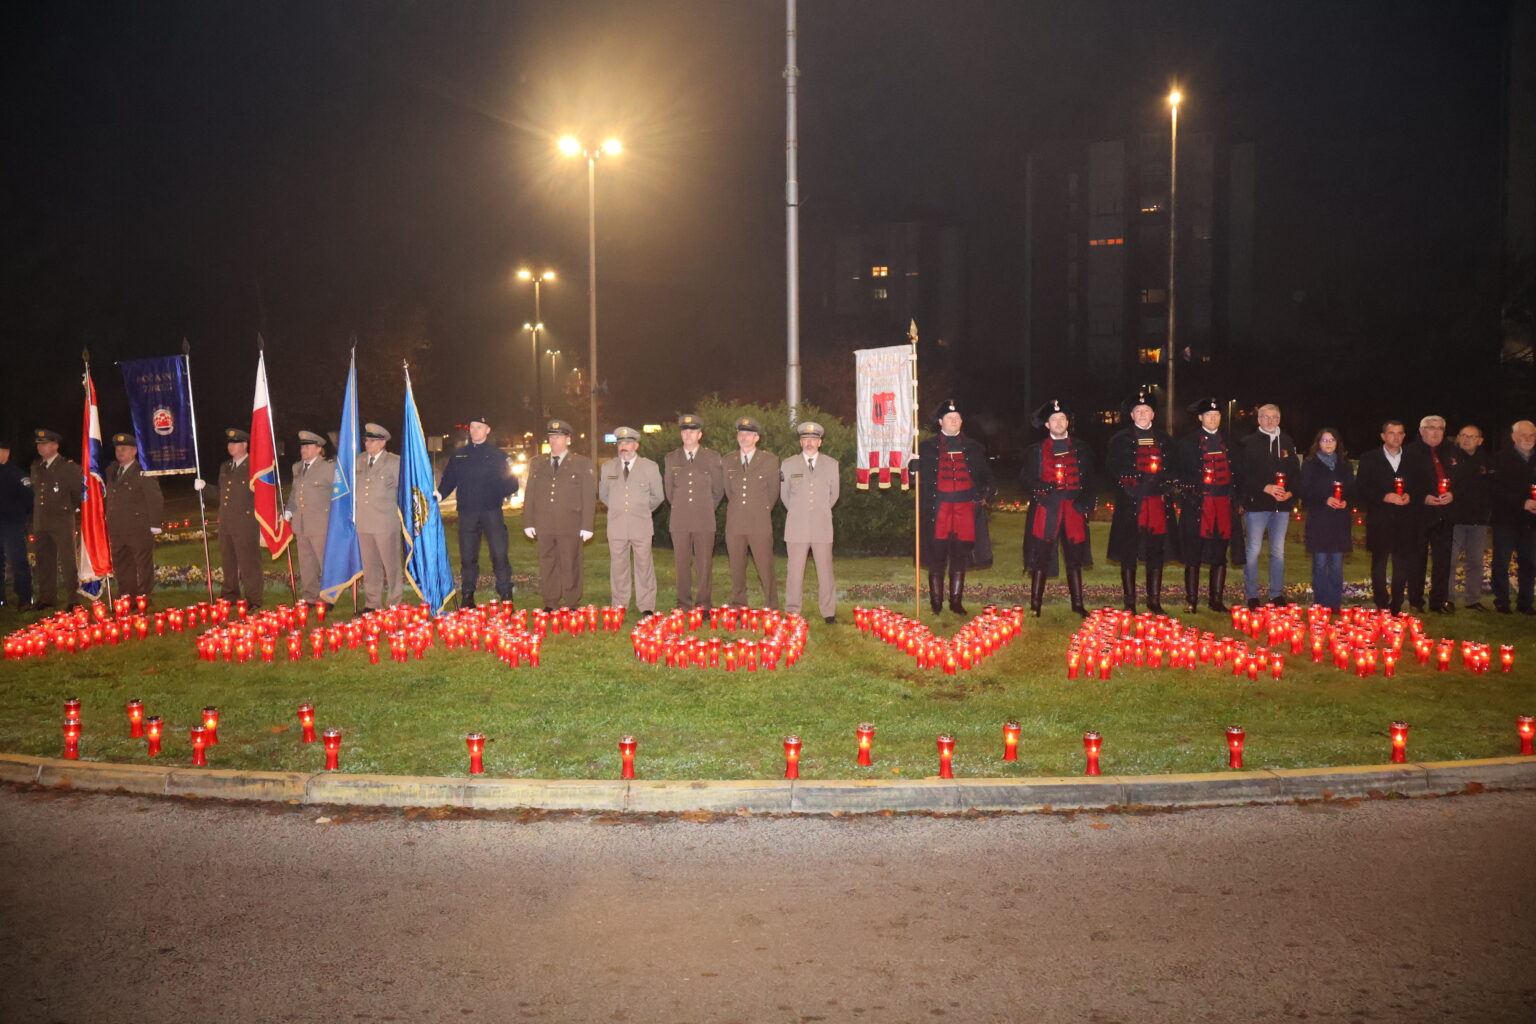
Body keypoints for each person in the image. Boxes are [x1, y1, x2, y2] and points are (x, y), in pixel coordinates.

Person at [914, 399, 994, 616]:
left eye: (957, 417)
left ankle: (956, 602)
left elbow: (987, 477)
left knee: (960, 555)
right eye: (949, 418)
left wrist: (985, 496)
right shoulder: (925, 448)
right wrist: (913, 469)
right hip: (938, 510)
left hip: (964, 509)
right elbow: (915, 481)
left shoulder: (973, 447)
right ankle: (936, 603)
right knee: (937, 556)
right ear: (940, 422)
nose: (954, 421)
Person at [1020, 399, 1094, 617]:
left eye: (1062, 418)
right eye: (1054, 419)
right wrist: (1040, 487)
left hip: (1073, 507)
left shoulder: (1081, 448)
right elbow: (1025, 479)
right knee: (1040, 556)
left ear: (1068, 422)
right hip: (1047, 507)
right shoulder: (1036, 450)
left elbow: (1090, 479)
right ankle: (1035, 606)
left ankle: (1078, 605)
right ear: (1047, 425)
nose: (1059, 422)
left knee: (1074, 558)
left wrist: (1086, 501)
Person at [1106, 388, 1178, 613]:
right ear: (1132, 415)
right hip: (1131, 504)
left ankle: (1154, 601)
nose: (1143, 414)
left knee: (1156, 551)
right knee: (1129, 552)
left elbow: (1174, 469)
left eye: (1146, 410)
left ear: (1153, 414)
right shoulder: (1119, 440)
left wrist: (1165, 484)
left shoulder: (1165, 440)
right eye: (1138, 411)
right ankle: (1130, 603)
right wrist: (1131, 484)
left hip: (1157, 503)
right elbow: (1113, 469)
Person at [436, 415, 518, 608]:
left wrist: (494, 493)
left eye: (479, 427)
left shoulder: (498, 456)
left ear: (487, 430)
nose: (475, 431)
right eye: (472, 427)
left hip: (491, 512)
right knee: (467, 557)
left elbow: (512, 483)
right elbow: (449, 480)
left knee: (499, 554)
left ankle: (505, 594)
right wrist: (439, 495)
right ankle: (467, 596)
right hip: (467, 512)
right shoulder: (459, 455)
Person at [1174, 397, 1240, 614]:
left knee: (1220, 554)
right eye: (1209, 415)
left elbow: (1238, 475)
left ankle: (1216, 600)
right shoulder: (1187, 443)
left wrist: (1237, 499)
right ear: (1200, 417)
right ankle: (1191, 601)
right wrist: (1192, 487)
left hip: (1223, 504)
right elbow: (1180, 474)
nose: (1213, 419)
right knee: (1193, 554)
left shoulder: (1230, 442)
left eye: (1217, 415)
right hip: (1199, 505)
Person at [522, 418, 596, 610]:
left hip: (570, 522)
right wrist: (528, 521)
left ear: (568, 440)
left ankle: (572, 600)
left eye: (559, 437)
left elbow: (589, 496)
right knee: (547, 561)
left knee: (570, 561)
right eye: (551, 437)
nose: (554, 441)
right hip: (544, 522)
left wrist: (587, 525)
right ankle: (550, 600)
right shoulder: (538, 463)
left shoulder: (581, 463)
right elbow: (530, 493)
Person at [1236, 403, 1300, 609]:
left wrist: (1291, 492)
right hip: (1257, 506)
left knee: (1278, 552)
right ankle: (1252, 595)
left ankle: (1276, 594)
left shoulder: (1287, 441)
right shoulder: (1248, 443)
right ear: (1258, 420)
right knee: (1253, 551)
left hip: (1281, 507)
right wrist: (1265, 487)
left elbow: (1295, 473)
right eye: (1266, 417)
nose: (1270, 421)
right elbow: (1242, 475)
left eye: (1274, 417)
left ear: (1279, 419)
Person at [599, 425, 664, 617]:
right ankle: (620, 603)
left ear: (636, 445)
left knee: (644, 565)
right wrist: (619, 509)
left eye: (627, 443)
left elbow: (658, 496)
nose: (623, 447)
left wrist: (641, 510)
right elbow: (604, 495)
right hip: (617, 525)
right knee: (618, 566)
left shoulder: (649, 467)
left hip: (641, 524)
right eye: (620, 443)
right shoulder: (608, 467)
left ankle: (646, 605)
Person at [663, 413, 725, 611]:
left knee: (704, 564)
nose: (688, 434)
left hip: (704, 518)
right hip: (680, 519)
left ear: (700, 434)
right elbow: (669, 491)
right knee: (681, 563)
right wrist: (683, 507)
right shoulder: (671, 458)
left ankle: (704, 604)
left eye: (692, 431)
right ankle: (683, 604)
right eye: (685, 431)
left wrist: (705, 507)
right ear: (681, 434)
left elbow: (718, 490)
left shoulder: (712, 457)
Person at [781, 421, 840, 623]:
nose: (809, 442)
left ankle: (828, 611)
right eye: (805, 439)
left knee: (825, 571)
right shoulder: (788, 464)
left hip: (822, 526)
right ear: (800, 442)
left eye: (813, 439)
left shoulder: (831, 464)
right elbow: (785, 496)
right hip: (796, 526)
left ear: (820, 442)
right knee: (794, 572)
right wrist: (800, 511)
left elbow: (834, 495)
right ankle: (792, 610)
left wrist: (819, 512)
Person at [1355, 420, 1416, 613]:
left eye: (1400, 433)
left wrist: (1411, 495)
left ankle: (1397, 604)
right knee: (1379, 564)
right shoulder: (1369, 458)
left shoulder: (1413, 458)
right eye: (1391, 433)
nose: (1396, 437)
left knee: (1401, 565)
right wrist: (1384, 496)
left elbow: (1420, 485)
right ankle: (1381, 603)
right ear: (1383, 436)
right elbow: (1361, 489)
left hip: (1405, 521)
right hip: (1380, 520)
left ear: (1404, 436)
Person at [722, 416, 780, 609]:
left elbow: (773, 492)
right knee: (736, 567)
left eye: (748, 434)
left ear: (756, 438)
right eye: (741, 433)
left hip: (759, 522)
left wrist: (760, 511)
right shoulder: (728, 460)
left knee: (765, 566)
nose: (744, 437)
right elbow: (729, 491)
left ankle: (771, 605)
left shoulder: (769, 460)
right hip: (735, 522)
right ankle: (739, 604)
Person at [1403, 415, 1458, 614]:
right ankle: (1416, 601)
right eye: (1431, 428)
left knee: (1443, 561)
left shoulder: (1451, 451)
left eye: (1440, 428)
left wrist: (1453, 493)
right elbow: (1403, 483)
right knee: (1417, 560)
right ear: (1421, 431)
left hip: (1444, 514)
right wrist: (1422, 497)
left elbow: (1461, 479)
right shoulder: (1408, 452)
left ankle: (1438, 601)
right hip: (1419, 514)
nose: (1436, 432)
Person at [1296, 427, 1354, 612]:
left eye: (1332, 440)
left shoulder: (1345, 465)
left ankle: (1334, 603)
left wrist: (1346, 501)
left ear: (1338, 443)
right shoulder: (1310, 464)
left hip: (1339, 521)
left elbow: (1352, 489)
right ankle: (1320, 603)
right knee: (1320, 563)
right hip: (1319, 519)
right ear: (1318, 443)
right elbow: (1304, 491)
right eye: (1324, 440)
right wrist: (1324, 499)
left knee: (1336, 564)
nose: (1328, 444)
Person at [104, 432, 164, 605]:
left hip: (138, 527)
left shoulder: (143, 471)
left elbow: (155, 498)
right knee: (122, 564)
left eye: (124, 449)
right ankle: (126, 595)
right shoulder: (113, 471)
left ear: (134, 451)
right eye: (118, 449)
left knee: (142, 565)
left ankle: (142, 597)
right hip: (117, 528)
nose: (120, 452)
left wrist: (155, 524)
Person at [28, 427, 82, 610]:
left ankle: (73, 598)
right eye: (39, 444)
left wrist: (69, 509)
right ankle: (47, 598)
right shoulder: (36, 466)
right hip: (41, 520)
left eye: (44, 444)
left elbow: (77, 493)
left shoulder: (68, 467)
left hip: (61, 520)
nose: (40, 447)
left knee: (68, 561)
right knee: (44, 560)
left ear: (55, 446)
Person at [213, 427, 263, 608]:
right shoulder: (225, 466)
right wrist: (203, 488)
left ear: (244, 445)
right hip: (226, 522)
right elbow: (222, 493)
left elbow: (262, 496)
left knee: (249, 562)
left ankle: (254, 599)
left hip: (246, 522)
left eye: (235, 443)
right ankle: (230, 594)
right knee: (228, 561)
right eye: (229, 443)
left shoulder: (254, 466)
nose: (230, 446)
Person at [1489, 420, 1536, 615]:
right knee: (1501, 561)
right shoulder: (1500, 458)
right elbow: (1495, 489)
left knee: (1529, 563)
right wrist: (1521, 502)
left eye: (1532, 435)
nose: (1528, 439)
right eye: (1523, 434)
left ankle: (1525, 603)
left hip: (1531, 522)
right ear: (1513, 436)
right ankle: (1502, 601)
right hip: (1505, 520)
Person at [356, 423, 403, 612]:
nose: (368, 444)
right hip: (364, 522)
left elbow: (404, 492)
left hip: (385, 523)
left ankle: (394, 603)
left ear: (383, 443)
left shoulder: (394, 462)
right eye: (366, 440)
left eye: (372, 441)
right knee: (370, 567)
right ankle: (372, 603)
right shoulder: (359, 460)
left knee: (391, 566)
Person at [283, 430, 334, 604]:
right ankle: (310, 596)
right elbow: (295, 493)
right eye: (302, 447)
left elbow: (339, 494)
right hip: (301, 523)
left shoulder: (328, 467)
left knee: (324, 562)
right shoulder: (297, 467)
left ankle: (328, 598)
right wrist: (288, 513)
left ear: (319, 449)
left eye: (308, 446)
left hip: (320, 523)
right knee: (306, 563)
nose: (303, 450)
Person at [1448, 423, 1493, 611]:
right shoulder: (1449, 459)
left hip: (1478, 520)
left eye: (1471, 436)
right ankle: (1448, 599)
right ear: (1458, 438)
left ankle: (1472, 599)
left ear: (1480, 441)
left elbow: (1492, 489)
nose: (1466, 440)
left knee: (1475, 562)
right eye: (1463, 435)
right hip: (1454, 519)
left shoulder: (1487, 462)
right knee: (1450, 561)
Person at [0, 439, 34, 609]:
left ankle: (25, 597)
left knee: (18, 561)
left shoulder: (17, 474)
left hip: (13, 525)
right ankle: (1, 598)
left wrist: (20, 519)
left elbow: (29, 500)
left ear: (6, 452)